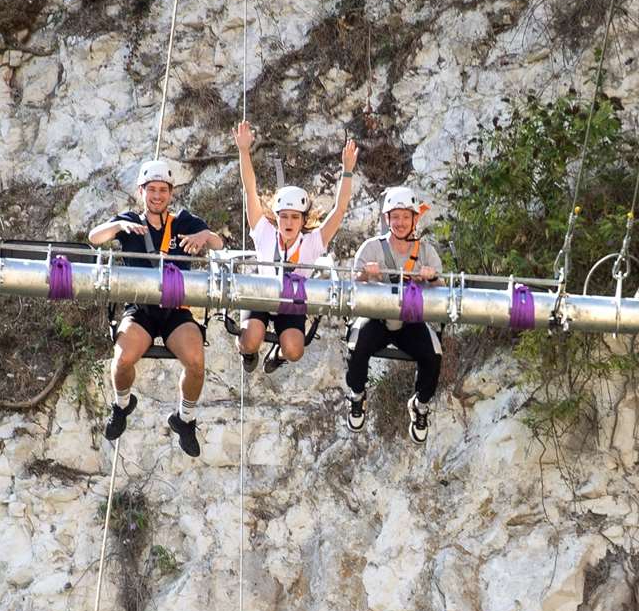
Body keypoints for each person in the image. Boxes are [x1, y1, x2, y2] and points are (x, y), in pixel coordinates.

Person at [87, 159, 223, 458]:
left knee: (196, 361)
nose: (157, 196)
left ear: (171, 193)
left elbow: (218, 243)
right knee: (122, 360)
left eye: (163, 190)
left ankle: (184, 418)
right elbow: (94, 238)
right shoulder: (130, 222)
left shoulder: (184, 221)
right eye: (152, 190)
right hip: (141, 308)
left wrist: (204, 236)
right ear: (142, 191)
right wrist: (118, 226)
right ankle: (122, 405)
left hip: (176, 309)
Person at [232, 121, 358, 374]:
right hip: (263, 294)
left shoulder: (312, 242)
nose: (289, 222)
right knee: (250, 339)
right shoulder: (265, 232)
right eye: (284, 216)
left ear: (303, 220)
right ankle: (248, 352)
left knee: (294, 350)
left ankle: (277, 354)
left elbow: (339, 210)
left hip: (292, 301)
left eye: (295, 217)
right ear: (276, 217)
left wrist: (347, 172)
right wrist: (244, 151)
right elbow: (250, 189)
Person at [346, 186, 442, 443]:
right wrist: (366, 274)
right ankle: (357, 394)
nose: (400, 222)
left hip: (410, 320)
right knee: (357, 345)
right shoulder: (371, 248)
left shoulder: (425, 252)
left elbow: (441, 290)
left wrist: (431, 278)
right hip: (377, 317)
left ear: (414, 219)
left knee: (433, 355)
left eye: (405, 217)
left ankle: (420, 404)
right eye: (395, 216)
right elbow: (354, 284)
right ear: (387, 219)